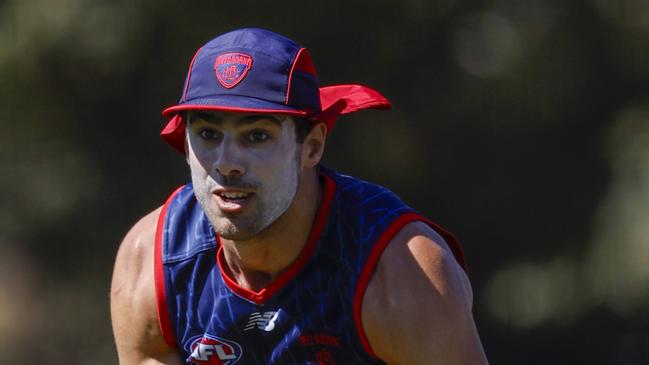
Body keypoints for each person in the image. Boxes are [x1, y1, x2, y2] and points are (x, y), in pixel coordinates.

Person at [110, 27, 488, 365]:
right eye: (208, 135)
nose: (227, 164)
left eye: (256, 135)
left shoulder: (399, 271)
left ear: (312, 147)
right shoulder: (154, 265)